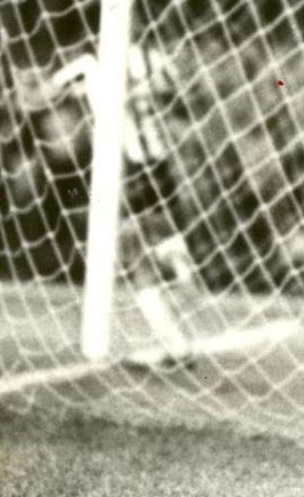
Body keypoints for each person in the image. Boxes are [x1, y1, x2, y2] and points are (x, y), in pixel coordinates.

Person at [51, 41, 200, 369]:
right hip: (161, 167)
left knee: (137, 262)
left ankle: (177, 341)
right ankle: (181, 267)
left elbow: (56, 86)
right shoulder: (148, 58)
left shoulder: (94, 67)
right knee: (160, 237)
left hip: (130, 171)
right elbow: (175, 88)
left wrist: (63, 85)